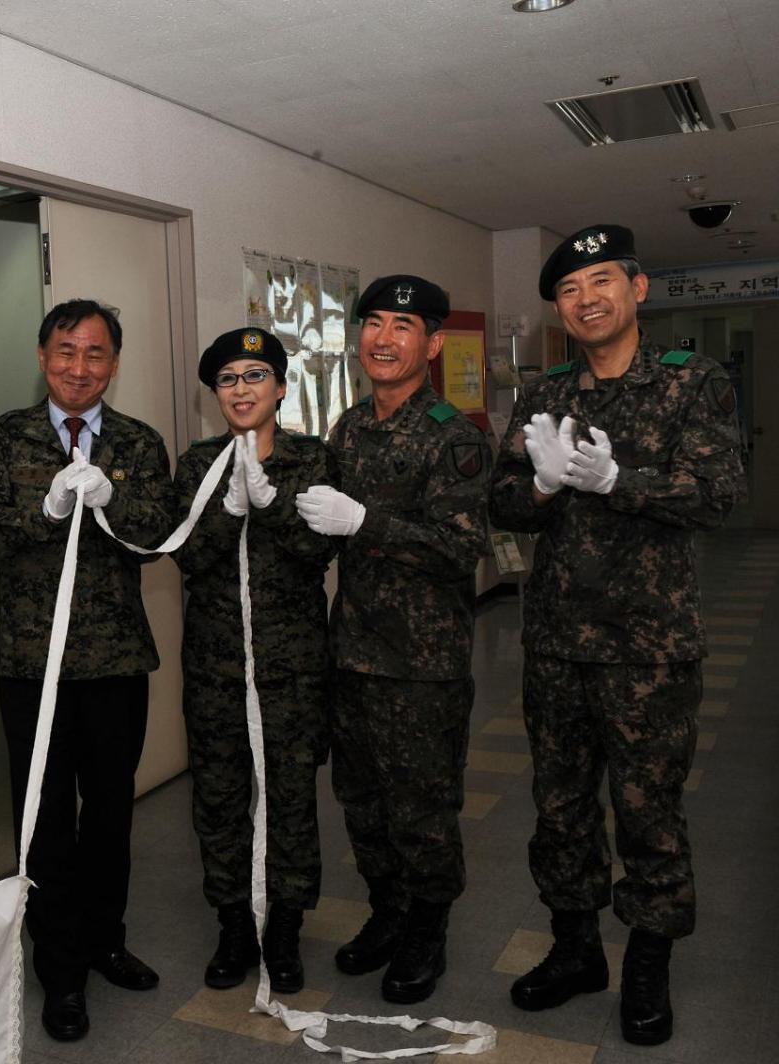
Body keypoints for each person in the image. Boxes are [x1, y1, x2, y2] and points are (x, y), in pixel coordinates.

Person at [488, 225, 744, 1046]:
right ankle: (574, 951)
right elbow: (498, 505)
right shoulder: (541, 395)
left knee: (648, 812)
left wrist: (616, 479)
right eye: (569, 288)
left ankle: (646, 961)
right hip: (557, 643)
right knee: (559, 809)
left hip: (649, 648)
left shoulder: (692, 383)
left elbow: (718, 496)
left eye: (602, 280)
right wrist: (537, 483)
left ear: (637, 288)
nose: (586, 298)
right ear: (558, 309)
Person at [0, 299, 176, 1042]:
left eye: (94, 354)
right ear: (42, 355)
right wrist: (46, 512)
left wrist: (117, 504)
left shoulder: (140, 444)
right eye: (64, 351)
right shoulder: (3, 437)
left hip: (116, 662)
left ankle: (105, 939)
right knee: (46, 823)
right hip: (33, 666)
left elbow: (158, 542)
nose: (78, 367)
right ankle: (60, 968)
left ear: (114, 363)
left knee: (112, 816)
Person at [295, 275, 490, 1005]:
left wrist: (367, 523)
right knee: (363, 801)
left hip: (422, 664)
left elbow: (460, 546)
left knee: (422, 808)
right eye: (372, 323)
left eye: (402, 326)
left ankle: (427, 930)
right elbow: (323, 526)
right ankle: (388, 912)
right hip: (355, 652)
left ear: (432, 344)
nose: (382, 338)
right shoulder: (349, 427)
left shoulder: (454, 436)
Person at [172, 328, 336, 995]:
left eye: (254, 376)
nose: (241, 390)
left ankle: (286, 926)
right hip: (215, 667)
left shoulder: (310, 458)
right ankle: (234, 923)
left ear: (279, 387)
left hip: (290, 667)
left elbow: (317, 554)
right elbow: (181, 554)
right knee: (219, 798)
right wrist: (225, 511)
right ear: (217, 394)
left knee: (291, 799)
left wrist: (268, 507)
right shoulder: (197, 463)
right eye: (229, 380)